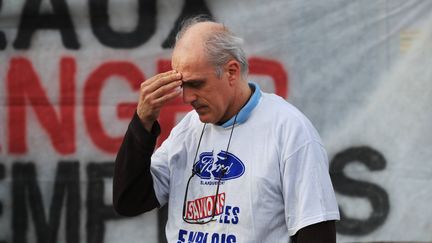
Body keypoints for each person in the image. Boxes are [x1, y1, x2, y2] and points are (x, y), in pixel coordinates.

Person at [113, 16, 340, 243]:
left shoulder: (289, 129)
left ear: (232, 71)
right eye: (182, 85)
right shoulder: (187, 130)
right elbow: (129, 201)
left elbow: (317, 231)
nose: (186, 97)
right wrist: (142, 122)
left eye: (196, 84)